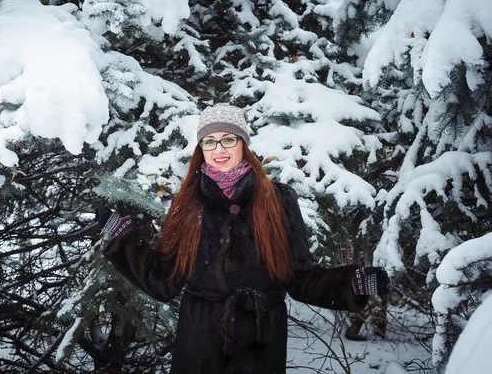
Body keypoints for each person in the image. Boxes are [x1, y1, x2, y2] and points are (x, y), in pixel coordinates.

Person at [98, 104, 389, 374]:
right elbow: (164, 280)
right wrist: (122, 237)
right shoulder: (188, 203)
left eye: (228, 139)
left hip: (260, 343)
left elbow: (300, 277)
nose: (218, 149)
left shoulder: (278, 200)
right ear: (201, 148)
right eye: (209, 142)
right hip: (200, 343)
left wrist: (354, 283)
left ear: (243, 144)